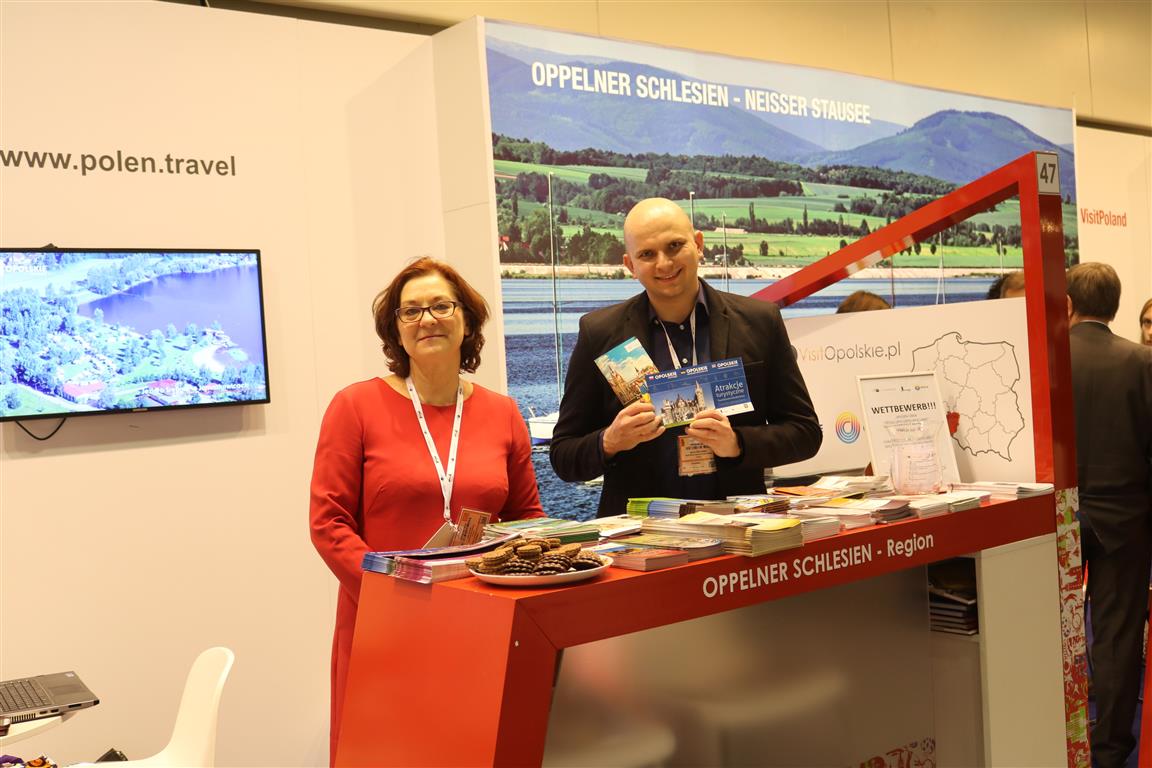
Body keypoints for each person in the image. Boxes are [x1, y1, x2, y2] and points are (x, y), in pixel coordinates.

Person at [309, 257, 543, 762]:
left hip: (481, 622)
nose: (427, 320)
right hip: (385, 623)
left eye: (441, 306)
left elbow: (527, 516)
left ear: (467, 321)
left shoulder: (503, 412)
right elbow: (329, 523)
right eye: (410, 311)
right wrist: (388, 593)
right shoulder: (355, 406)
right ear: (395, 330)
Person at [550, 197, 822, 517]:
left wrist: (737, 443)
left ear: (699, 244)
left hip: (739, 529)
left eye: (675, 246)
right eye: (647, 254)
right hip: (639, 534)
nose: (664, 264)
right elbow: (563, 456)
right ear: (630, 265)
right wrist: (609, 441)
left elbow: (805, 433)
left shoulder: (760, 321)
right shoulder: (600, 334)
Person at [1066, 262, 1152, 768]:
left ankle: (1053, 737)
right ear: (1116, 307)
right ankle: (1110, 750)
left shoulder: (1046, 360)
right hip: (1127, 522)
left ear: (1067, 304)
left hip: (1054, 520)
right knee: (1118, 638)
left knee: (1048, 629)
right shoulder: (1143, 362)